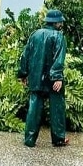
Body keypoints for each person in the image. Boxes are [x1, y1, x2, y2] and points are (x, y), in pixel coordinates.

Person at [17, 9, 68, 148]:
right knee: (57, 108)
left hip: (36, 77)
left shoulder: (35, 35)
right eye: (60, 21)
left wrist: (23, 73)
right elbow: (59, 58)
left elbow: (25, 55)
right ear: (56, 22)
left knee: (34, 108)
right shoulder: (59, 36)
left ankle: (29, 139)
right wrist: (57, 77)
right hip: (53, 80)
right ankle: (58, 139)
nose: (62, 23)